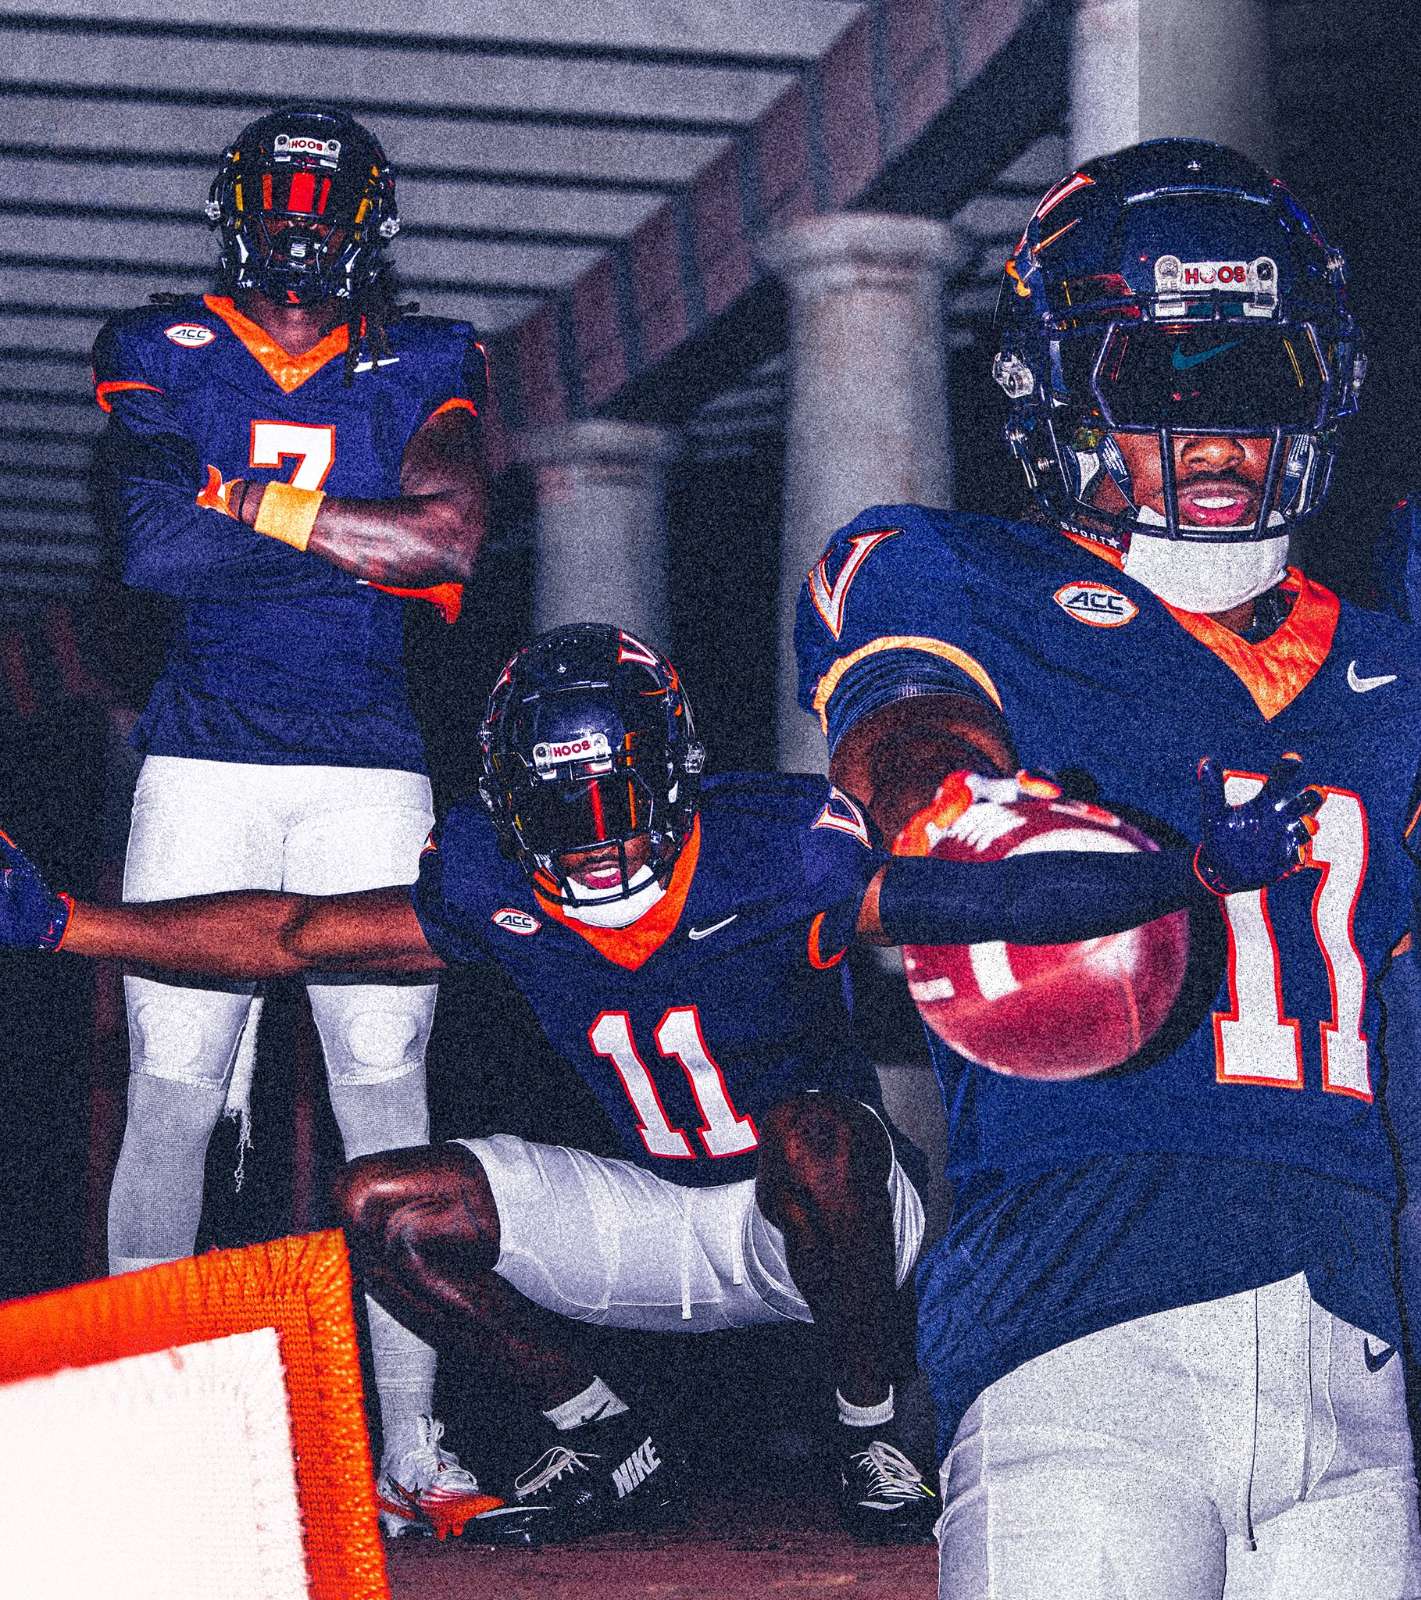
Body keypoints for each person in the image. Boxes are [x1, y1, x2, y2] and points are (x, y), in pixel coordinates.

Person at [0, 621, 1313, 1547]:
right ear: (508, 804)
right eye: (554, 809)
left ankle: (870, 1430)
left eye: (608, 797)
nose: (585, 842)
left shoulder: (778, 855)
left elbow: (978, 899)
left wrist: (1188, 875)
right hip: (643, 1211)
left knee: (816, 1137)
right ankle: (601, 1434)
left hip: (812, 1211)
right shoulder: (491, 884)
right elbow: (292, 934)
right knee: (381, 1203)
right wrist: (69, 923)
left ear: (672, 776)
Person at [794, 136, 1421, 1598]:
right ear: (1057, 393)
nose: (1214, 436)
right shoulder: (959, 577)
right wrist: (961, 815)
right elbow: (906, 737)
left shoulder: (1390, 663)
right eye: (1159, 383)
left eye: (1256, 381)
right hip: (1077, 1329)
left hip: (1355, 1357)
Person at [90, 102, 492, 1538]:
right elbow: (150, 546)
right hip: (202, 764)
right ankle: (139, 1432)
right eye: (279, 206)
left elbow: (445, 539)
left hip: (369, 772)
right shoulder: (157, 342)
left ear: (370, 227)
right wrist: (350, 533)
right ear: (234, 214)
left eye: (326, 210)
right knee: (173, 1092)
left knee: (388, 1097)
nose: (300, 236)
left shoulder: (430, 355)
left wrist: (236, 500)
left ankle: (414, 1446)